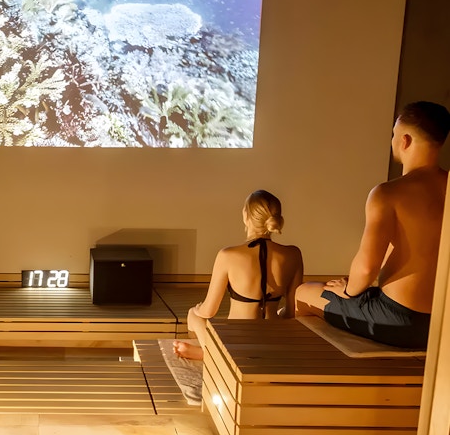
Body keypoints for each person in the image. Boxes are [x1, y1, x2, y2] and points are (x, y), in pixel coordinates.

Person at [295, 101, 450, 349]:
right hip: (444, 321)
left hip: (399, 320)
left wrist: (348, 291)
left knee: (304, 292)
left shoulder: (388, 193)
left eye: (393, 134)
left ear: (405, 140)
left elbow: (367, 269)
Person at [173, 190, 304, 360]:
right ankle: (213, 355)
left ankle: (211, 356)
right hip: (273, 336)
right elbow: (292, 312)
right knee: (277, 314)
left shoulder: (228, 255)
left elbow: (208, 311)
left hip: (237, 341)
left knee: (194, 315)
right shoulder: (293, 254)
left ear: (245, 215)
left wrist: (197, 309)